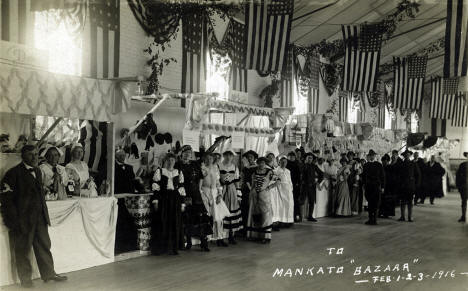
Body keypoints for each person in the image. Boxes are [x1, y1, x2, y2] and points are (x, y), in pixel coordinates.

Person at [1, 145, 67, 288]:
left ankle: (49, 273)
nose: (35, 157)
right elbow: (6, 200)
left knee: (44, 245)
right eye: (31, 155)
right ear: (22, 156)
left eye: (36, 154)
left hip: (39, 218)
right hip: (23, 221)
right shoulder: (13, 174)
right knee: (23, 249)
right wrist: (14, 222)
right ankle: (26, 279)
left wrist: (44, 216)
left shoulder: (37, 171)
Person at [176, 145, 211, 252]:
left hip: (196, 194)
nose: (188, 154)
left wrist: (199, 189)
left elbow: (200, 177)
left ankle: (204, 243)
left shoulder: (195, 164)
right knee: (187, 219)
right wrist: (183, 195)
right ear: (182, 153)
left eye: (190, 153)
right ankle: (189, 243)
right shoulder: (178, 165)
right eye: (185, 152)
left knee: (200, 218)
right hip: (185, 194)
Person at [150, 153, 185, 255]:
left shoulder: (178, 172)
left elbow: (182, 188)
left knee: (175, 222)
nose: (171, 162)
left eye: (172, 160)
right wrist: (155, 201)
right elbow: (155, 187)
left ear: (175, 161)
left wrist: (182, 203)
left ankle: (174, 248)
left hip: (175, 199)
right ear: (165, 161)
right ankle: (163, 248)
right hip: (164, 199)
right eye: (169, 160)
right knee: (163, 221)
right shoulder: (160, 171)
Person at [201, 153, 230, 246]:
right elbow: (200, 182)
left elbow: (218, 183)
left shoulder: (215, 168)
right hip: (205, 192)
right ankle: (207, 238)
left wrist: (220, 194)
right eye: (207, 158)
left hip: (214, 193)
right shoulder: (201, 168)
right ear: (204, 159)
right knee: (208, 215)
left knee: (218, 217)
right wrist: (203, 195)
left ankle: (219, 238)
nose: (209, 160)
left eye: (211, 158)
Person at [247, 157, 274, 244]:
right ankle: (256, 235)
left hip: (264, 195)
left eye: (263, 163)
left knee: (265, 215)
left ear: (265, 163)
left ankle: (266, 236)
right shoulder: (255, 172)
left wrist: (269, 187)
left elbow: (278, 180)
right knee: (255, 214)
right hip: (255, 195)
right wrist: (251, 192)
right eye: (259, 163)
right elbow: (252, 183)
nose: (261, 164)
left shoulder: (269, 172)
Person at [219, 150, 243, 243]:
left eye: (230, 155)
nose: (228, 157)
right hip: (222, 189)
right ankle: (220, 237)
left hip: (232, 190)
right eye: (226, 155)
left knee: (232, 211)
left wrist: (238, 194)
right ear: (223, 156)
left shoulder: (235, 166)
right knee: (222, 211)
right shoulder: (219, 165)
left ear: (232, 157)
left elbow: (237, 181)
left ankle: (231, 235)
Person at [362, 149, 385, 225]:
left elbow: (382, 177)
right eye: (371, 155)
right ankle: (370, 219)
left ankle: (374, 219)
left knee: (376, 203)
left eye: (373, 155)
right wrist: (364, 185)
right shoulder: (366, 165)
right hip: (369, 186)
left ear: (375, 156)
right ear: (369, 156)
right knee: (370, 203)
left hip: (376, 186)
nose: (372, 156)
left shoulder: (379, 165)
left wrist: (382, 187)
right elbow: (364, 176)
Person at [398, 150, 420, 222]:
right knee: (403, 201)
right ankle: (402, 216)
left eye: (408, 155)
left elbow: (418, 175)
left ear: (410, 155)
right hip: (403, 186)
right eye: (405, 155)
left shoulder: (413, 164)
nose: (407, 156)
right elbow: (399, 175)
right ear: (404, 156)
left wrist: (416, 184)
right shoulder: (401, 164)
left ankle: (410, 217)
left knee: (410, 201)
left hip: (410, 185)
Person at [274, 157, 295, 225]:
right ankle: (281, 221)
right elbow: (276, 180)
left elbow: (290, 181)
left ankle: (288, 220)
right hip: (281, 190)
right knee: (281, 205)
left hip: (288, 190)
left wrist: (291, 188)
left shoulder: (288, 171)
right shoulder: (276, 170)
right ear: (279, 162)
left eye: (285, 162)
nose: (283, 163)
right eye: (282, 162)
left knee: (289, 205)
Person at [241, 150, 257, 233]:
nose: (250, 158)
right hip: (245, 190)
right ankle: (245, 228)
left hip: (253, 189)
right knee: (245, 209)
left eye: (251, 157)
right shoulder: (245, 168)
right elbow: (243, 178)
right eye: (248, 157)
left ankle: (253, 229)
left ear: (254, 158)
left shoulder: (257, 167)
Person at [302, 153, 321, 221]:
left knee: (312, 201)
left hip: (311, 186)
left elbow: (321, 173)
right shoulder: (302, 165)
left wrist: (318, 181)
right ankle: (300, 217)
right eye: (308, 158)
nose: (310, 159)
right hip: (303, 186)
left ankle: (310, 216)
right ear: (306, 158)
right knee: (301, 201)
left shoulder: (314, 166)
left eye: (311, 158)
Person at [266, 152, 282, 230]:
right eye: (269, 157)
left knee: (275, 206)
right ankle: (270, 223)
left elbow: (278, 178)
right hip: (269, 188)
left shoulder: (274, 168)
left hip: (274, 189)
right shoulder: (266, 168)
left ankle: (275, 222)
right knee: (270, 206)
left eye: (272, 157)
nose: (271, 158)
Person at [286, 152, 303, 222]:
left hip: (295, 186)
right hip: (287, 186)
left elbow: (299, 176)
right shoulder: (286, 164)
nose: (292, 158)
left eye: (293, 156)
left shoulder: (297, 164)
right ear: (288, 157)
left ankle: (296, 216)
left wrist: (298, 184)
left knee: (295, 202)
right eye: (290, 156)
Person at [456, 152, 468, 222]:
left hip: (464, 186)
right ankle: (463, 216)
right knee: (464, 202)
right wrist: (459, 186)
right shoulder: (463, 165)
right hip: (464, 187)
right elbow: (458, 176)